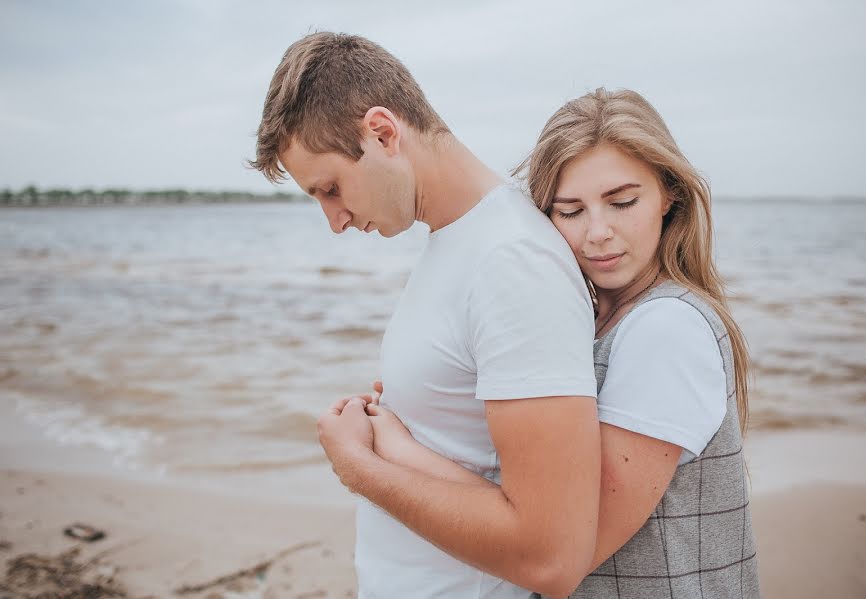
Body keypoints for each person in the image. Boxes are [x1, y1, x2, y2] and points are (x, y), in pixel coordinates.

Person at [367, 88, 761, 598]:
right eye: (569, 211)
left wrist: (390, 453)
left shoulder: (667, 329)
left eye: (622, 202)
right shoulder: (598, 318)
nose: (597, 232)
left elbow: (559, 545)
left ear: (669, 194)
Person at [250, 33, 601, 598]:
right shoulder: (458, 240)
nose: (334, 221)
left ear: (383, 133)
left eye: (332, 189)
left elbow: (550, 556)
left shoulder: (511, 261)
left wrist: (358, 467)